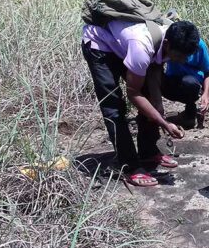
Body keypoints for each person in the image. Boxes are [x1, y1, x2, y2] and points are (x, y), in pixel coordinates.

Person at [81, 19, 201, 187]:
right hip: (99, 44)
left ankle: (148, 151)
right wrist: (163, 123)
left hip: (125, 44)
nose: (182, 61)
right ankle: (129, 165)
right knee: (113, 107)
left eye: (186, 57)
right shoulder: (141, 47)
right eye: (180, 56)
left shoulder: (168, 34)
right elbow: (133, 93)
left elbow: (155, 67)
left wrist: (158, 103)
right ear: (166, 44)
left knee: (149, 99)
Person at [162, 38, 209, 129]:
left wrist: (206, 93)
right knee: (156, 79)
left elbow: (207, 71)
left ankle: (190, 113)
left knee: (189, 83)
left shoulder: (199, 45)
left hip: (191, 82)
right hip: (172, 79)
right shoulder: (170, 43)